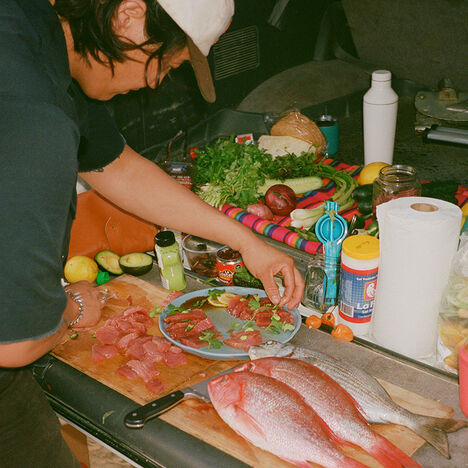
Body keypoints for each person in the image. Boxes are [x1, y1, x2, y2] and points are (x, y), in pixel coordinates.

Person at [0, 0, 304, 465]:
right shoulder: (35, 115)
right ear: (128, 16)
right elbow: (17, 342)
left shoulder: (35, 37)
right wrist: (72, 304)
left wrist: (246, 241)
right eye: (167, 64)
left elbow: (114, 164)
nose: (157, 83)